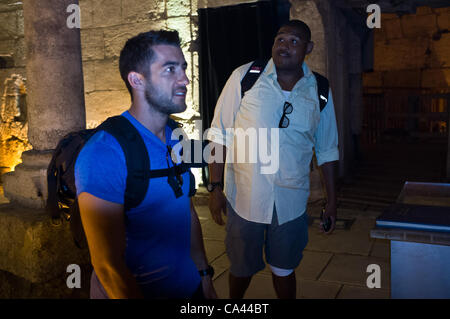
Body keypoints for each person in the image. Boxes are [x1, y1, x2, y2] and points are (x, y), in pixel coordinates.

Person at [75, 30, 217, 299]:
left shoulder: (177, 137)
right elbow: (108, 266)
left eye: (184, 68)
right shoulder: (105, 153)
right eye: (170, 69)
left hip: (189, 287)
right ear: (137, 80)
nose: (185, 79)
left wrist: (204, 275)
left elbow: (186, 211)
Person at [206, 20, 339, 299]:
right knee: (241, 267)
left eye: (294, 41)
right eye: (280, 39)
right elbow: (219, 134)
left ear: (308, 48)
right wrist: (215, 187)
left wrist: (332, 201)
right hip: (245, 196)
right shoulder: (245, 78)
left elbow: (327, 150)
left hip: (291, 200)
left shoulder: (320, 90)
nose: (284, 46)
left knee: (284, 268)